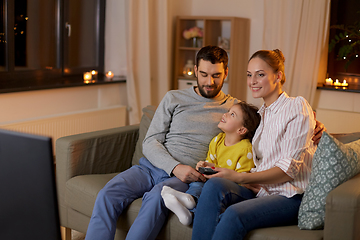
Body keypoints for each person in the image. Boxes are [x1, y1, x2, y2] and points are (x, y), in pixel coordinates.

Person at [84, 46, 325, 240]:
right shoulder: (173, 98)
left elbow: (287, 124)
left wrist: (319, 127)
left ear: (226, 73)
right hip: (153, 166)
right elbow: (150, 141)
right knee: (108, 193)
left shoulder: (237, 109)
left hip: (189, 176)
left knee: (160, 197)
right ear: (195, 72)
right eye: (204, 74)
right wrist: (174, 166)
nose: (209, 81)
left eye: (216, 75)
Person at [191, 49, 319, 240]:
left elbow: (289, 170)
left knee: (233, 215)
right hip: (261, 191)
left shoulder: (296, 106)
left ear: (278, 76)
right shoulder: (261, 115)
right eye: (249, 75)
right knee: (214, 185)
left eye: (260, 75)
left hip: (290, 196)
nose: (252, 81)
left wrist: (241, 177)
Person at [161, 101, 261, 226]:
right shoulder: (217, 140)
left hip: (231, 188)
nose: (225, 114)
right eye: (228, 111)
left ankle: (190, 207)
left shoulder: (245, 149)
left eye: (232, 114)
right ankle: (190, 202)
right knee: (197, 182)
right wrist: (204, 166)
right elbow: (212, 163)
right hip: (212, 183)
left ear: (241, 129)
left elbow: (243, 179)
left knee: (212, 190)